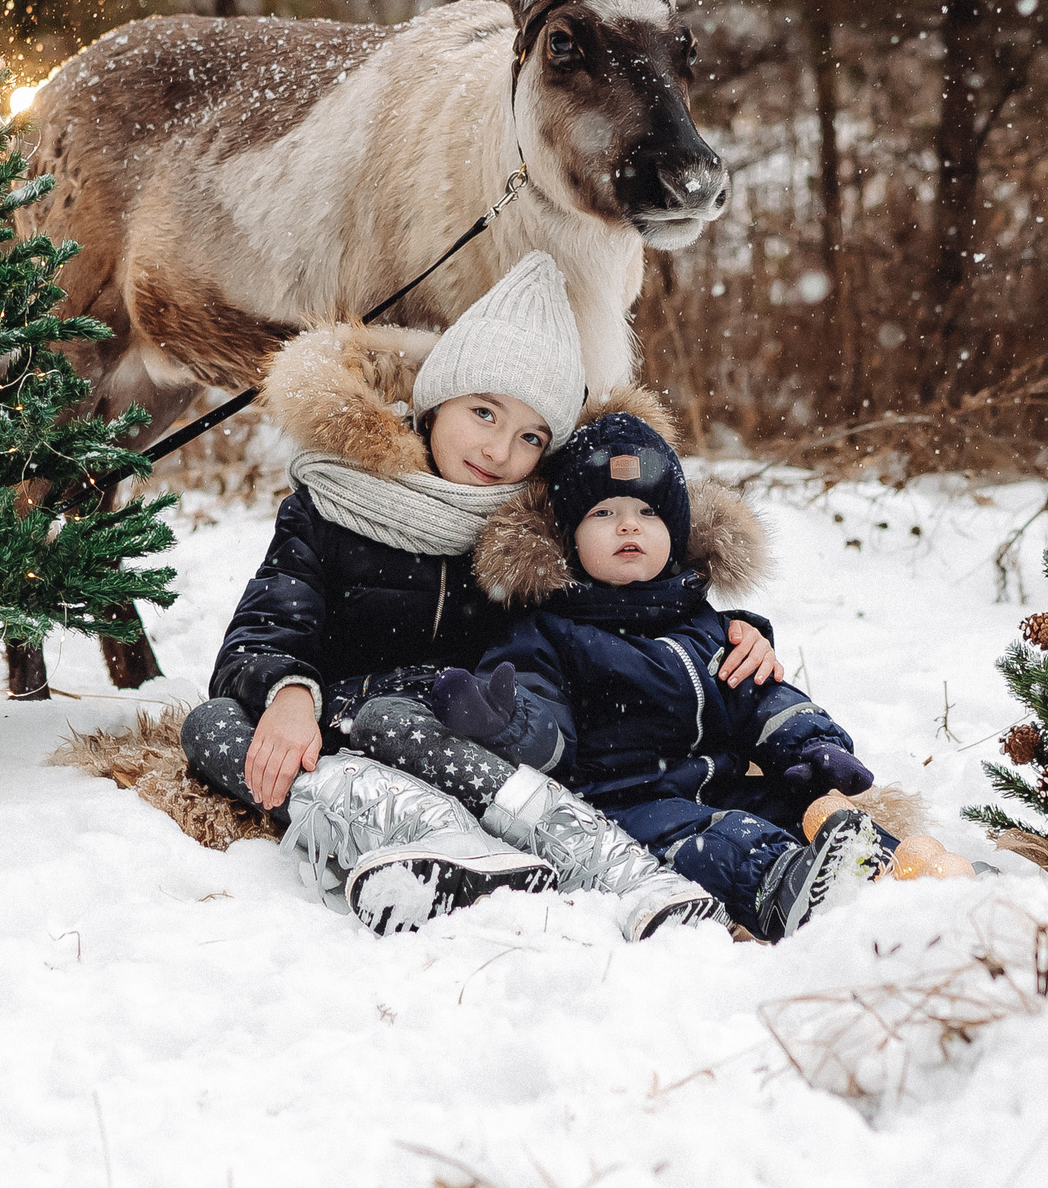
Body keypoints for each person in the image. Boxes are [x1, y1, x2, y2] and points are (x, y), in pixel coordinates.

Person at [181, 252, 769, 935]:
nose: (498, 451)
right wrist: (288, 695)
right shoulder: (331, 505)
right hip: (336, 722)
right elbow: (265, 628)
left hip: (459, 729)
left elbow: (629, 603)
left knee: (391, 719)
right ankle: (415, 831)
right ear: (435, 404)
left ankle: (592, 861)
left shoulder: (532, 534)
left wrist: (733, 628)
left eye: (530, 436)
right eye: (484, 412)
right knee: (211, 726)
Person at [410, 408, 906, 942]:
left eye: (648, 511)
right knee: (721, 841)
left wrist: (811, 746)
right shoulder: (547, 631)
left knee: (797, 809)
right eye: (603, 513)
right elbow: (548, 738)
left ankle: (911, 879)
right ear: (570, 539)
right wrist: (507, 722)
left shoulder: (705, 622)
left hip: (719, 783)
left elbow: (761, 696)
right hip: (624, 803)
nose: (628, 525)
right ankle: (780, 890)